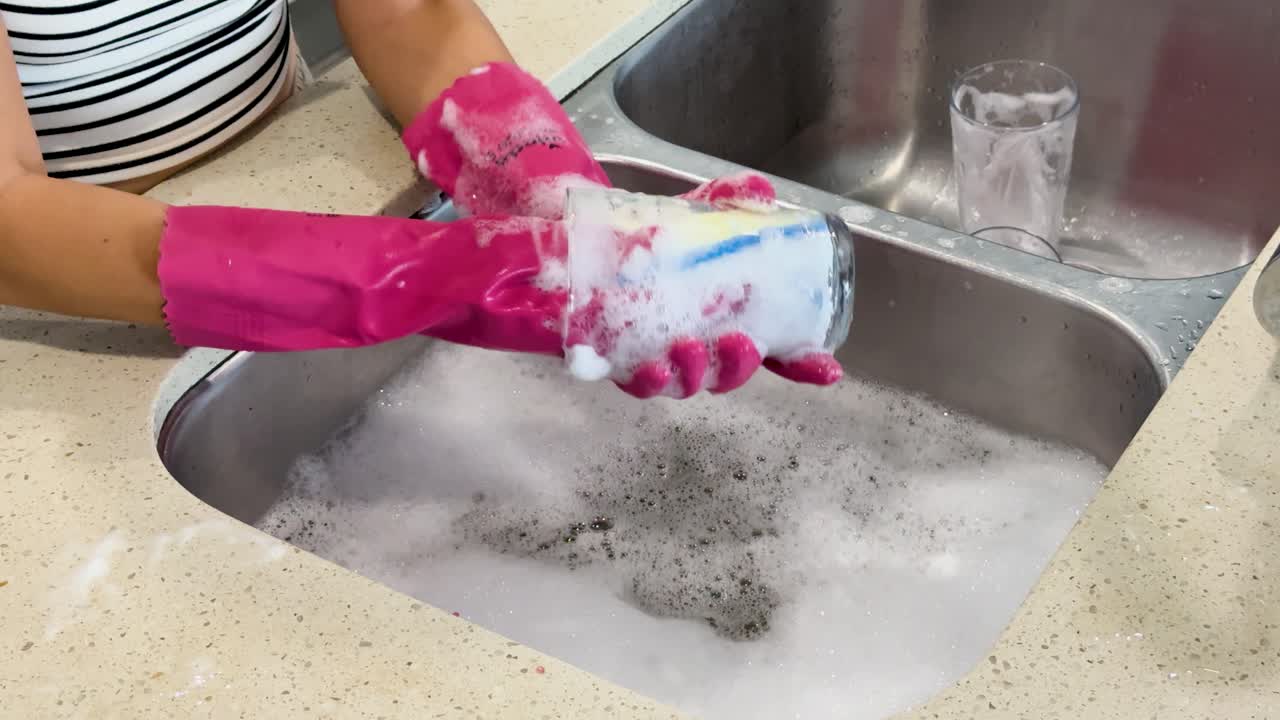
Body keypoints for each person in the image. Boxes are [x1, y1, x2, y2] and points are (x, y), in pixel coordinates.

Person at [0, 0, 842, 399]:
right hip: (71, 290)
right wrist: (423, 276)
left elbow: (408, 13)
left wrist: (559, 203)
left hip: (281, 151)